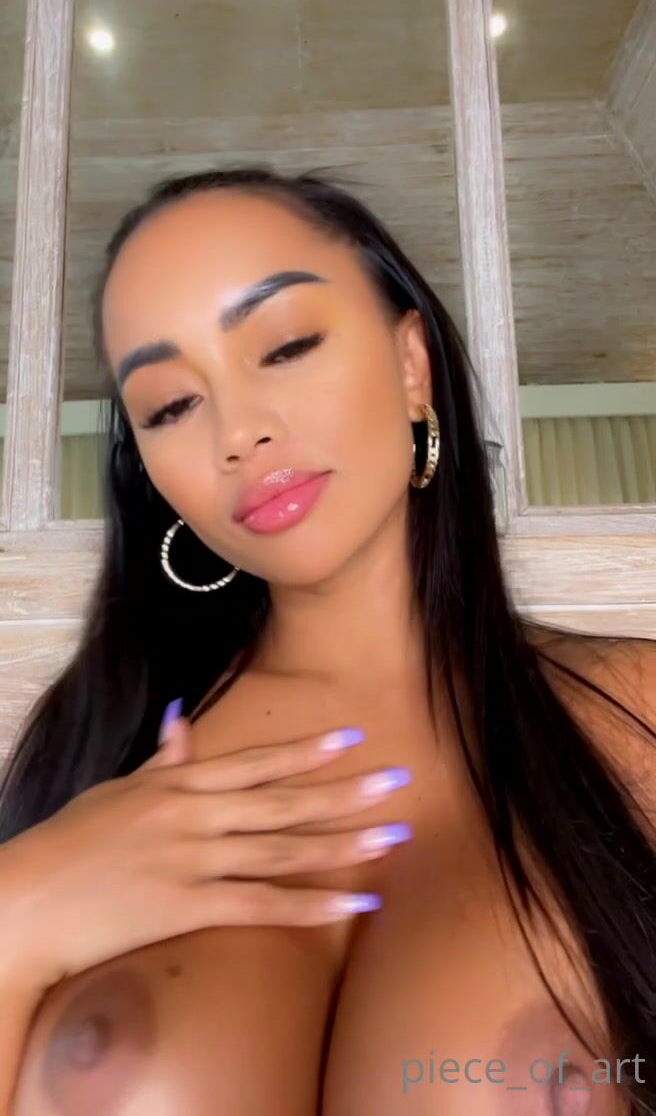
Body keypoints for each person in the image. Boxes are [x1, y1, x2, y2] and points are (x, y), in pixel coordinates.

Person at [0, 164, 654, 1115]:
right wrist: (16, 909)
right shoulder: (97, 743)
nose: (239, 432)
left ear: (411, 365)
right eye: (171, 405)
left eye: (287, 345)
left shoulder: (635, 714)